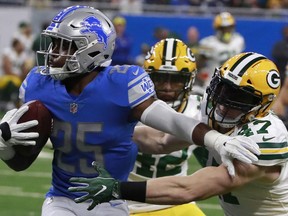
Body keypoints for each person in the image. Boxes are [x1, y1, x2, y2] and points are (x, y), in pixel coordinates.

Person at [0, 5, 260, 216]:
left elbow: (169, 122)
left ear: (92, 48)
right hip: (61, 199)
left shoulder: (121, 83)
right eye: (54, 44)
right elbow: (21, 163)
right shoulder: (38, 84)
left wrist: (216, 138)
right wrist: (5, 145)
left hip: (110, 200)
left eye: (64, 46)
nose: (53, 53)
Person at [68, 52, 288, 216]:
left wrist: (118, 188)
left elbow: (189, 188)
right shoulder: (212, 113)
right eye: (222, 88)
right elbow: (161, 141)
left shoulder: (264, 138)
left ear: (261, 106)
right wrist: (100, 131)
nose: (223, 102)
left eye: (238, 97)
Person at [128, 38, 205, 216]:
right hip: (127, 203)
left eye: (176, 80)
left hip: (177, 201)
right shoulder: (128, 104)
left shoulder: (199, 108)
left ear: (189, 80)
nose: (167, 87)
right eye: (161, 78)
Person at [197, 12, 245, 95]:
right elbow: (198, 64)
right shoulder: (208, 43)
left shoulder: (238, 40)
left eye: (229, 28)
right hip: (213, 82)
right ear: (217, 29)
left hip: (234, 82)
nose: (226, 31)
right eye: (223, 28)